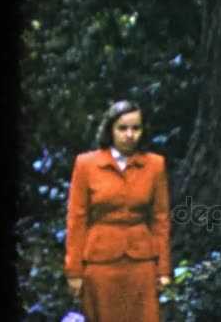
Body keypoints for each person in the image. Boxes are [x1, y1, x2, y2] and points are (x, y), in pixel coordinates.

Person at [64, 100, 172, 322]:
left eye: (136, 128)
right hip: (100, 263)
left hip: (141, 263)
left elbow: (160, 219)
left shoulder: (155, 165)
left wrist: (163, 269)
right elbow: (76, 219)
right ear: (110, 130)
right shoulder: (86, 164)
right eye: (122, 128)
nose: (130, 135)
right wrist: (73, 271)